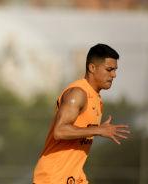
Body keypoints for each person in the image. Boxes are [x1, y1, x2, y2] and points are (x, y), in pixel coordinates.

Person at [33, 44, 130, 184]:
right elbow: (59, 131)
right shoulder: (78, 93)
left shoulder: (96, 98)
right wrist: (98, 130)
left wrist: (96, 129)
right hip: (53, 178)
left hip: (75, 177)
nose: (114, 75)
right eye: (109, 70)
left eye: (115, 70)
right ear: (92, 68)